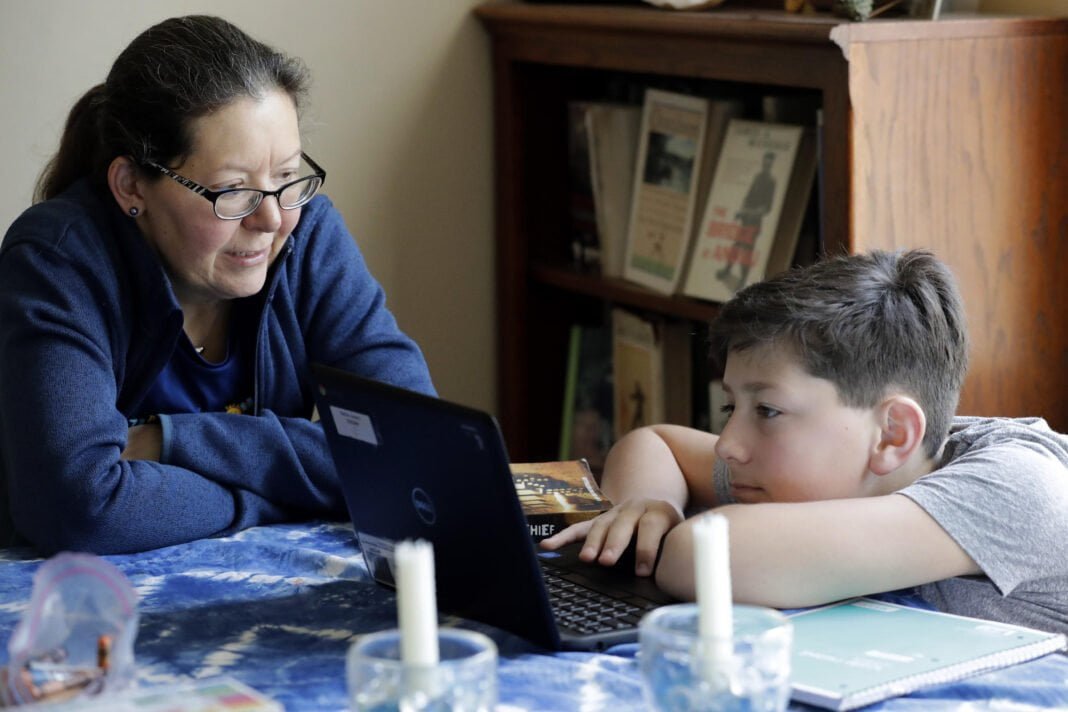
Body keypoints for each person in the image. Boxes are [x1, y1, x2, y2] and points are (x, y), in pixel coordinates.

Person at [0, 16, 435, 555]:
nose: (271, 219)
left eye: (286, 176)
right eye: (232, 191)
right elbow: (79, 509)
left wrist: (172, 441)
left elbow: (418, 451)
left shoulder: (308, 237)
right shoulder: (57, 260)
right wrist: (273, 498)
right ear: (132, 185)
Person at [544, 249, 1068, 636]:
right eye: (731, 407)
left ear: (893, 434)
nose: (728, 445)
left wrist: (674, 534)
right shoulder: (843, 462)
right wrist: (647, 506)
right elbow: (655, 442)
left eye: (767, 411)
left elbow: (699, 559)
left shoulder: (1016, 489)